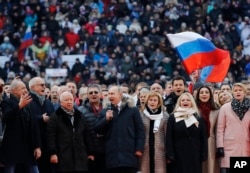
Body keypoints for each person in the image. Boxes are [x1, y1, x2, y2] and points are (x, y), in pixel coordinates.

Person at [94, 85, 145, 173]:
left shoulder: (133, 110)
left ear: (120, 94)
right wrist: (105, 120)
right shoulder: (105, 111)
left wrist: (139, 148)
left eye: (112, 94)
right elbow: (97, 129)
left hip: (130, 156)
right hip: (112, 158)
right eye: (109, 94)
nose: (110, 96)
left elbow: (140, 130)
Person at [47, 91, 94, 173]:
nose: (69, 102)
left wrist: (91, 152)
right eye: (66, 100)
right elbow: (51, 137)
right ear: (61, 102)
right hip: (63, 156)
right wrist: (53, 153)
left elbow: (87, 135)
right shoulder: (55, 117)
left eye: (70, 100)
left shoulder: (80, 116)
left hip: (80, 156)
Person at [0, 79, 41, 173]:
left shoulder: (28, 103)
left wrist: (37, 146)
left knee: (35, 171)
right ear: (14, 90)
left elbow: (34, 126)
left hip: (29, 147)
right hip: (12, 148)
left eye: (25, 88)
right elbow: (6, 117)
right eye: (22, 88)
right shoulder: (7, 102)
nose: (26, 90)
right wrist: (19, 106)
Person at [166, 92, 208, 173]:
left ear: (192, 102)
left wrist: (204, 153)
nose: (185, 102)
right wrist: (170, 154)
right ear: (179, 103)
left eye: (188, 100)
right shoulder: (172, 117)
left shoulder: (198, 117)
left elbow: (203, 137)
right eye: (183, 100)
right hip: (178, 155)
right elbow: (169, 137)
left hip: (195, 154)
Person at [216, 83, 250, 173]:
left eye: (240, 90)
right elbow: (220, 129)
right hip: (229, 147)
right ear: (232, 93)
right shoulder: (225, 108)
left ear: (245, 92)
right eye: (235, 90)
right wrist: (220, 146)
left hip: (245, 146)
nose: (238, 92)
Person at [28, 77, 55, 173]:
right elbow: (24, 120)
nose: (44, 87)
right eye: (41, 85)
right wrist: (40, 119)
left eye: (45, 85)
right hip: (32, 145)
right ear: (32, 87)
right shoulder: (26, 101)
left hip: (48, 144)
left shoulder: (48, 103)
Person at [78, 84, 106, 173]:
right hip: (91, 151)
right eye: (91, 93)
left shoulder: (107, 108)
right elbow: (80, 134)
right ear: (87, 95)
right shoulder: (80, 111)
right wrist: (88, 152)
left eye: (96, 92)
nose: (93, 94)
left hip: (107, 150)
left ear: (100, 94)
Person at [139, 91, 169, 173]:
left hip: (160, 149)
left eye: (155, 100)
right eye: (150, 100)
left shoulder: (165, 115)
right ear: (147, 101)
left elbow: (167, 135)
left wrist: (167, 151)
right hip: (145, 149)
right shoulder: (141, 114)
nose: (152, 102)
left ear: (159, 102)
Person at [195, 85, 220, 173]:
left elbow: (218, 131)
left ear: (210, 95)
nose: (204, 94)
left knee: (210, 167)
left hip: (211, 143)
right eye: (201, 93)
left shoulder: (216, 111)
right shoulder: (194, 111)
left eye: (206, 92)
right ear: (198, 95)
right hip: (196, 143)